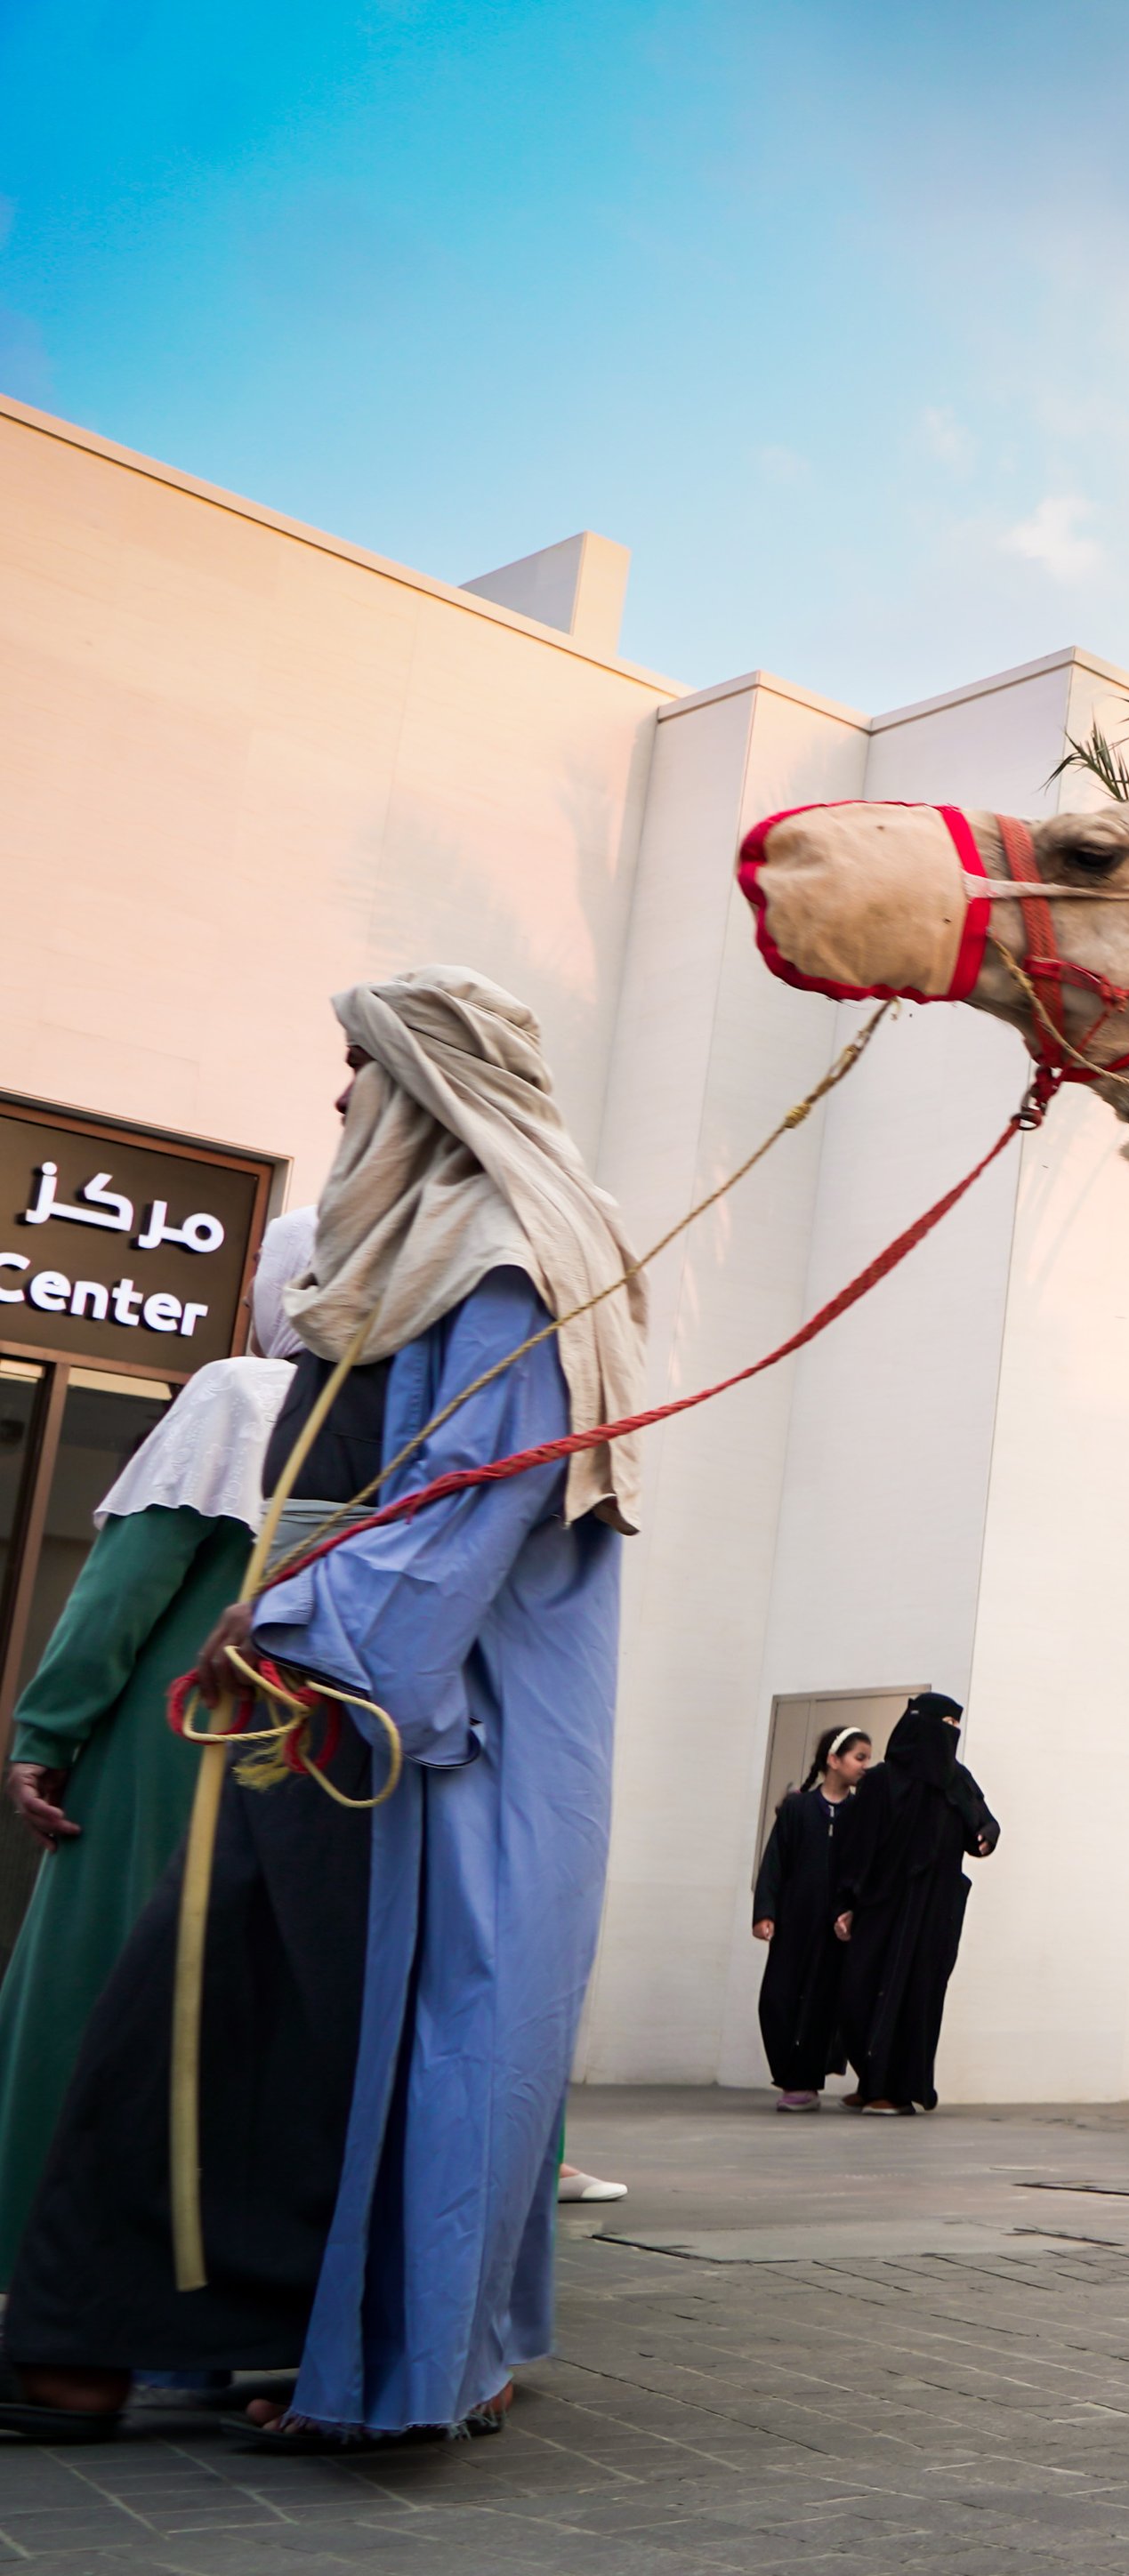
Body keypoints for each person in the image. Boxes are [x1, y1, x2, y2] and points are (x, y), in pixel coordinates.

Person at [10, 970, 644, 2451]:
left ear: (423, 1082)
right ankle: (126, 2344)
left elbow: (475, 1511)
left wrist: (294, 1623)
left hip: (397, 1729)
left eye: (357, 1064)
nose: (339, 1093)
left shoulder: (509, 1260)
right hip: (312, 1707)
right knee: (201, 2016)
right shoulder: (409, 1260)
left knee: (319, 2030)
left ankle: (333, 2349)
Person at [0, 1216, 308, 2273]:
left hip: (171, 1744)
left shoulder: (238, 1391)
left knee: (90, 1991)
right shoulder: (402, 1416)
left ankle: (38, 2250)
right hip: (309, 1760)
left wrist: (44, 1731)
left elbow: (124, 1586)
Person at [838, 1692, 1001, 2114]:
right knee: (860, 1989)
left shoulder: (956, 1781)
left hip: (933, 1910)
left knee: (917, 1994)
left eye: (955, 1727)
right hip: (882, 1905)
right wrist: (847, 1901)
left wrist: (986, 1836)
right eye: (944, 1724)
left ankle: (895, 2089)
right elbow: (856, 1848)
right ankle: (871, 2079)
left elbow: (982, 1821)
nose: (951, 1735)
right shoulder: (880, 1782)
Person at [751, 1726, 872, 2109]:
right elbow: (774, 1863)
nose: (866, 1766)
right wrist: (765, 1912)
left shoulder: (861, 1813)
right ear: (833, 1761)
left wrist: (852, 1911)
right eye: (860, 1757)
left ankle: (805, 2083)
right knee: (778, 1998)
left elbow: (867, 1868)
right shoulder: (798, 1809)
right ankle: (791, 2076)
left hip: (837, 1930)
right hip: (794, 1924)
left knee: (824, 2001)